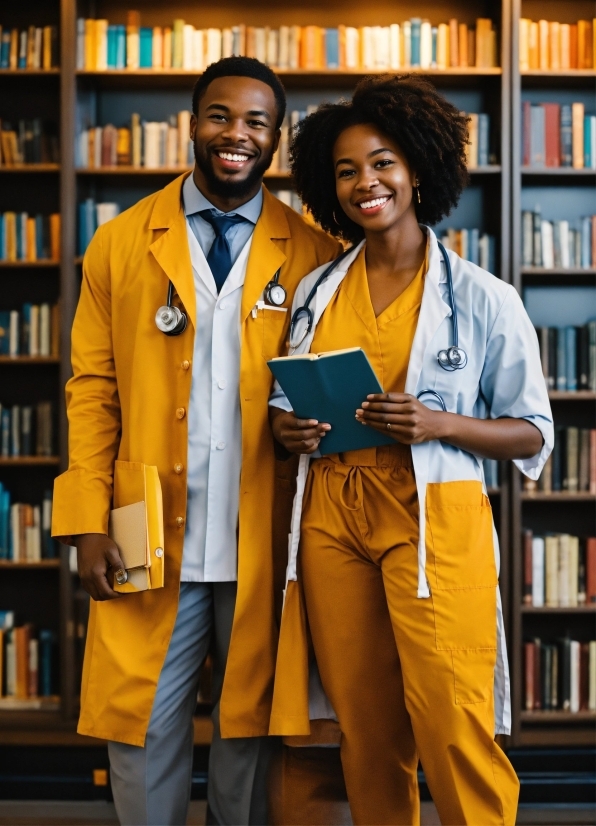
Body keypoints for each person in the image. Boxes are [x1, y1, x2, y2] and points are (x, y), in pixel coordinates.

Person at [51, 56, 340, 826]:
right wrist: (85, 521)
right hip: (147, 528)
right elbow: (92, 390)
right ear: (192, 122)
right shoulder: (118, 243)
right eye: (220, 116)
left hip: (262, 533)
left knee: (249, 732)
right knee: (140, 729)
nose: (235, 135)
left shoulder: (312, 254)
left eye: (256, 122)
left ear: (276, 139)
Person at [268, 75, 553, 826]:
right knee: (366, 730)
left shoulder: (484, 296)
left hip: (433, 515)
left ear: (419, 168)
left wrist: (440, 424)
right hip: (331, 518)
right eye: (346, 169)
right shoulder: (316, 290)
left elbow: (532, 432)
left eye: (384, 162)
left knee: (452, 718)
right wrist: (287, 429)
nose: (367, 182)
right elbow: (281, 402)